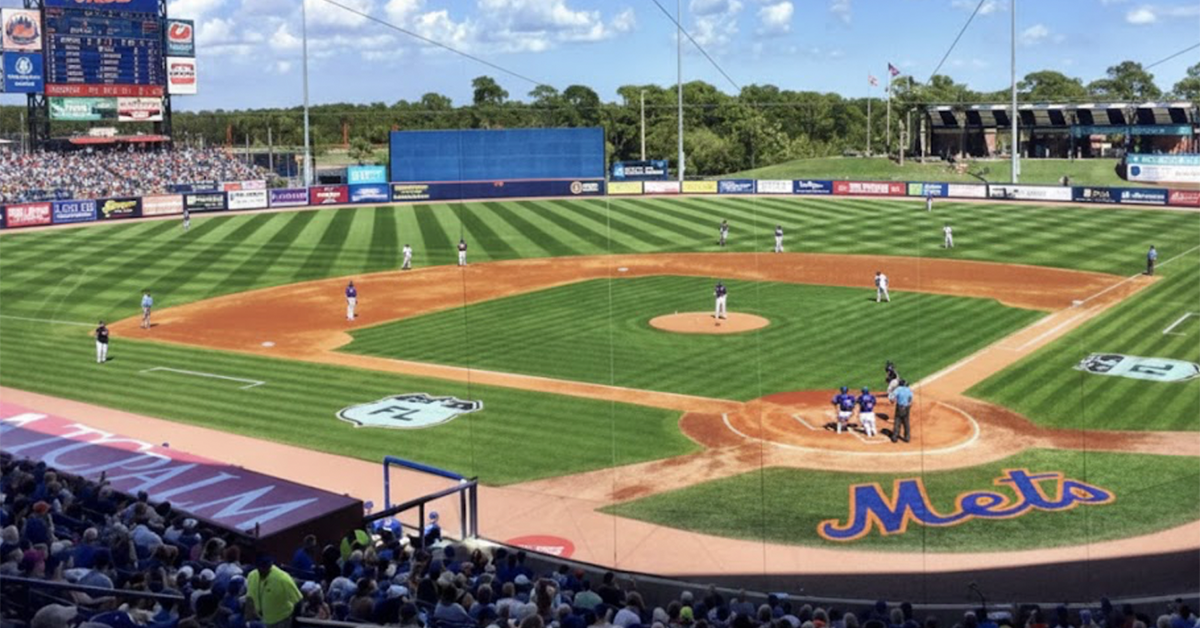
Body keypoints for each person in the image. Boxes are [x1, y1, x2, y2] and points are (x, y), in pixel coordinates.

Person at [245, 554, 302, 628]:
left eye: (266, 567)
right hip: (261, 619)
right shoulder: (252, 576)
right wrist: (248, 617)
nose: (263, 570)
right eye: (261, 567)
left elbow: (298, 601)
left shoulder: (283, 579)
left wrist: (294, 624)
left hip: (281, 620)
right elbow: (249, 598)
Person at [891, 379, 913, 444]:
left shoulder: (898, 389)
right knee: (906, 422)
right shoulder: (909, 390)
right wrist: (908, 406)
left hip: (899, 407)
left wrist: (892, 401)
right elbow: (910, 400)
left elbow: (892, 398)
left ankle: (895, 437)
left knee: (897, 421)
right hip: (907, 407)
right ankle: (907, 437)